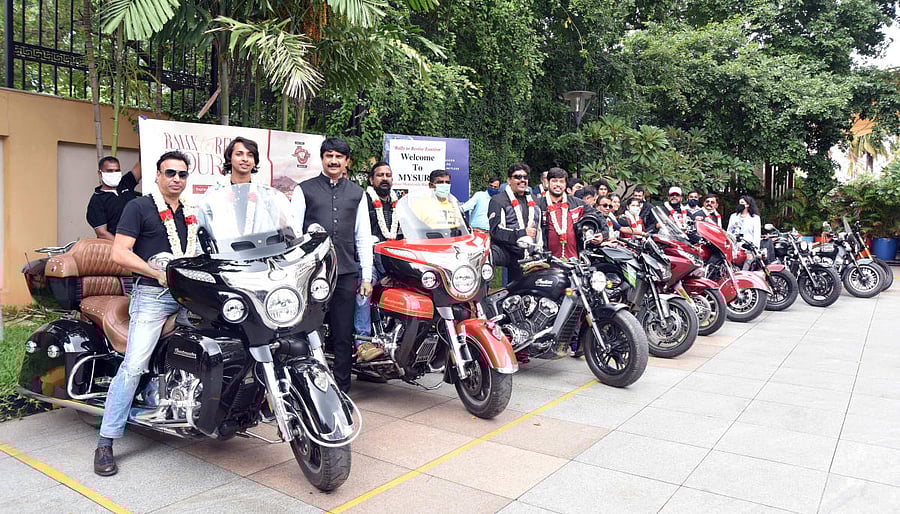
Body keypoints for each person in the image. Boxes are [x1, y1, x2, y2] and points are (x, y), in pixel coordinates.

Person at [93, 151, 196, 477]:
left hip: (190, 296)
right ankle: (106, 440)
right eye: (170, 173)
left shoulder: (191, 213)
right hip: (153, 296)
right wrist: (157, 274)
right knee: (135, 363)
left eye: (181, 174)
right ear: (157, 175)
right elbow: (119, 253)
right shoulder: (139, 207)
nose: (176, 179)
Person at [291, 137, 374, 393]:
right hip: (312, 274)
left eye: (339, 157)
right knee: (308, 329)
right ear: (322, 158)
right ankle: (307, 385)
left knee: (342, 332)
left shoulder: (357, 194)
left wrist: (367, 276)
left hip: (346, 273)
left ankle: (341, 389)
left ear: (347, 161)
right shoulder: (304, 190)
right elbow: (295, 234)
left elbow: (362, 236)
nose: (334, 161)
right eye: (329, 156)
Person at [197, 137, 298, 238]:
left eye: (250, 155)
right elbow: (202, 230)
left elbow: (283, 226)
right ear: (229, 158)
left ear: (254, 161)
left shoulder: (267, 195)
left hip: (261, 251)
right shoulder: (214, 194)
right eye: (239, 154)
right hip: (225, 252)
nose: (245, 159)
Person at [489, 163, 541, 282]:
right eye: (518, 177)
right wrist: (522, 233)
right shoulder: (498, 201)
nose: (522, 180)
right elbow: (495, 231)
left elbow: (540, 229)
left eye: (525, 177)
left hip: (534, 257)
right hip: (510, 256)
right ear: (509, 180)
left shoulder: (536, 200)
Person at [538, 167, 593, 260]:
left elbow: (597, 216)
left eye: (561, 181)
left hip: (573, 261)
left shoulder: (577, 204)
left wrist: (602, 234)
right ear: (548, 182)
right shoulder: (538, 204)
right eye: (554, 181)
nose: (558, 184)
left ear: (566, 184)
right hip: (547, 262)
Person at [86, 156, 142, 241]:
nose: (114, 173)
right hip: (118, 247)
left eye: (117, 170)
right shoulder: (97, 200)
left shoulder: (125, 183)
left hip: (140, 241)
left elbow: (141, 166)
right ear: (100, 173)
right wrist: (123, 246)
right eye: (109, 171)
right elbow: (102, 233)